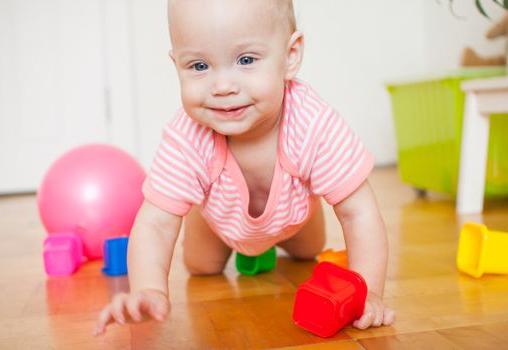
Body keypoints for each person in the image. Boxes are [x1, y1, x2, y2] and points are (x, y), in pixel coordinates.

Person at [93, 0, 395, 336]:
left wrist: (369, 292)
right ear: (175, 63)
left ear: (290, 55)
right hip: (218, 221)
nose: (223, 86)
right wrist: (149, 289)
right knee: (201, 267)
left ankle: (306, 209)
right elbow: (156, 225)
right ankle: (196, 206)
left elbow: (359, 214)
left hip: (293, 216)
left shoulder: (313, 124)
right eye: (198, 66)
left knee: (309, 251)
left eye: (246, 60)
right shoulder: (187, 136)